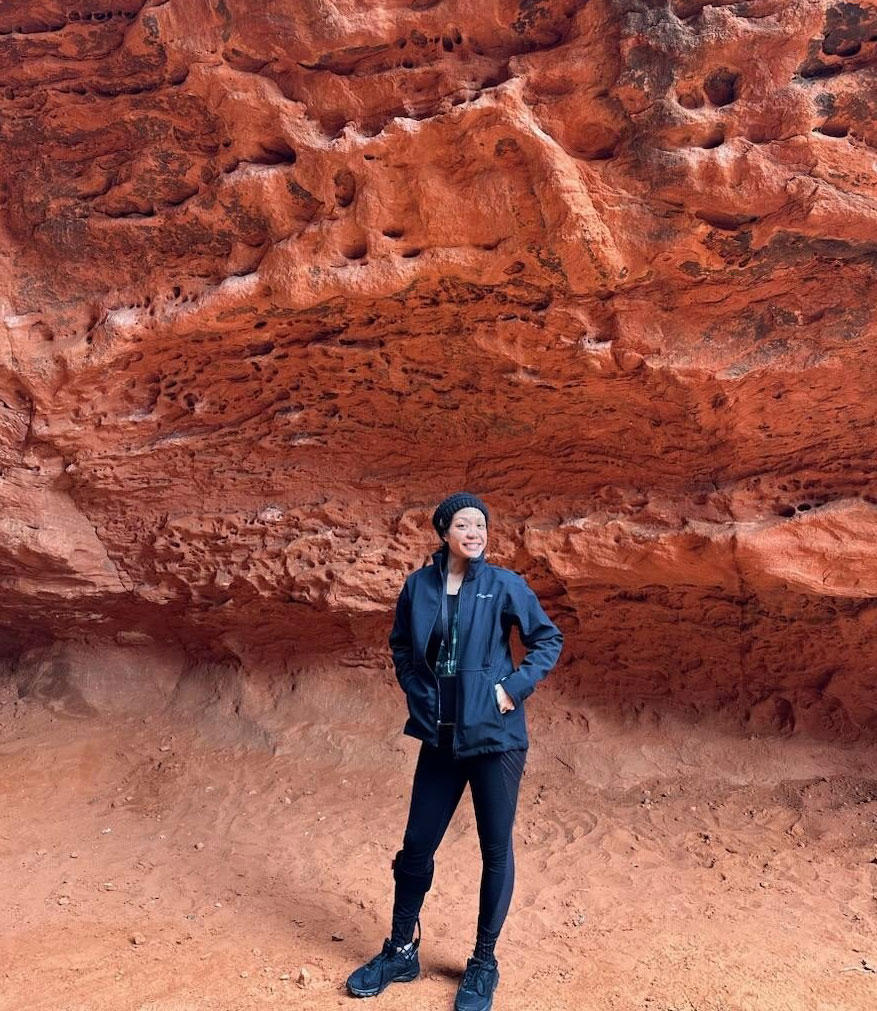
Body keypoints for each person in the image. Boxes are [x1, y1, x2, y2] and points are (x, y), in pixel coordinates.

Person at [346, 492, 563, 1011]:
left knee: (495, 852)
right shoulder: (418, 586)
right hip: (440, 737)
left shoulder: (504, 584)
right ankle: (400, 951)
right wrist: (417, 693)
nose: (475, 532)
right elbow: (401, 646)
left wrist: (511, 689)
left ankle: (483, 962)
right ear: (444, 531)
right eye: (464, 523)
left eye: (482, 525)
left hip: (495, 738)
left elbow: (548, 640)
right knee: (416, 847)